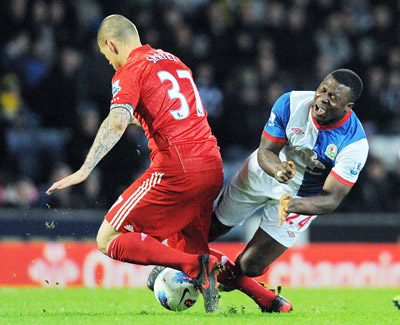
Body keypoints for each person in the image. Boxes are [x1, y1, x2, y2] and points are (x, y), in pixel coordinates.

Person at [46, 14, 224, 313]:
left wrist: (85, 168)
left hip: (177, 168)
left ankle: (195, 266)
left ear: (111, 45)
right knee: (190, 248)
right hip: (210, 165)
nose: (109, 63)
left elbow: (116, 121)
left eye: (106, 56)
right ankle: (268, 299)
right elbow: (177, 114)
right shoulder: (174, 61)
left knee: (109, 237)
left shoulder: (130, 69)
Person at [207, 69, 368, 305]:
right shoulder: (291, 102)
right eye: (322, 90)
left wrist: (292, 204)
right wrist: (279, 170)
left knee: (250, 266)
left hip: (302, 198)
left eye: (334, 98)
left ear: (348, 106)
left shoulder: (354, 144)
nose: (323, 98)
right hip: (263, 173)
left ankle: (237, 282)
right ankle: (178, 268)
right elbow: (266, 151)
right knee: (212, 228)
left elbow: (331, 199)